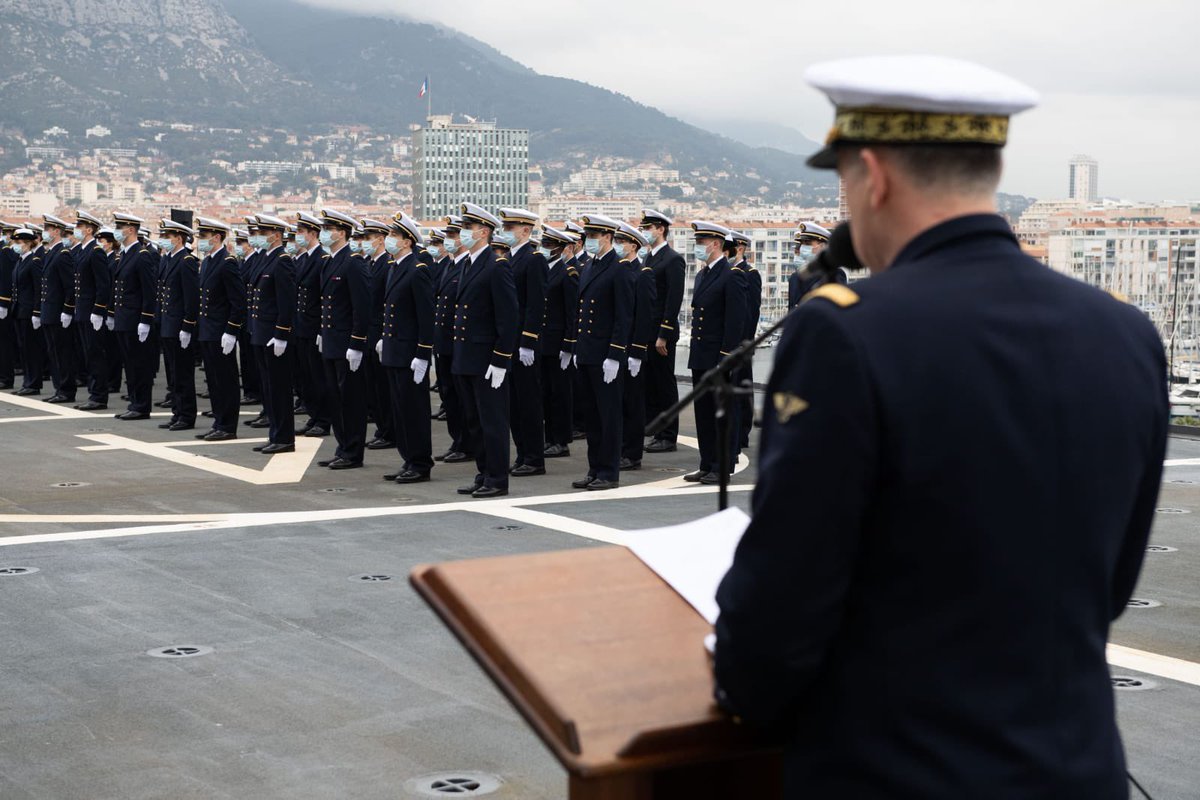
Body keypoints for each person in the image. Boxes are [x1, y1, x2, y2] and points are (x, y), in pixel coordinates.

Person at [713, 55, 1169, 799]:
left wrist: (745, 693)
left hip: (897, 772)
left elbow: (782, 609)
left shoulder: (846, 335)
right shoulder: (1121, 331)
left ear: (874, 174)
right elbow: (1108, 587)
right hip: (1077, 769)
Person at [451, 203, 518, 499]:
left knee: (492, 422)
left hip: (487, 359)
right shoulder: (468, 263)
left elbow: (508, 317)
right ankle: (483, 472)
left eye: (468, 228)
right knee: (474, 422)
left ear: (484, 232)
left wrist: (501, 359)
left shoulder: (497, 265)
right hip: (466, 356)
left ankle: (497, 478)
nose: (463, 233)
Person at [570, 214, 633, 491]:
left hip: (605, 353)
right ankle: (594, 468)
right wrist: (575, 347)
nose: (590, 241)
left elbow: (623, 316)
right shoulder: (588, 266)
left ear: (608, 237)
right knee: (592, 415)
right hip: (586, 351)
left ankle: (609, 471)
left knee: (608, 416)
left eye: (594, 236)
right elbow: (579, 311)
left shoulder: (618, 269)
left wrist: (615, 354)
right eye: (587, 237)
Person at [684, 221, 746, 485]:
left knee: (722, 414)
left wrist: (726, 357)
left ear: (716, 244)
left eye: (701, 243)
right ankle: (706, 463)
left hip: (718, 357)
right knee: (704, 413)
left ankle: (721, 466)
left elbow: (735, 322)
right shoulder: (702, 275)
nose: (698, 247)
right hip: (701, 355)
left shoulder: (731, 275)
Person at [378, 212, 435, 484]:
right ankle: (408, 459)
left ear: (407, 242)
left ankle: (421, 462)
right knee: (399, 410)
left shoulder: (417, 270)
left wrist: (423, 353)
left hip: (410, 354)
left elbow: (426, 317)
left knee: (414, 411)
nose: (389, 239)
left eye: (394, 236)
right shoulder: (395, 267)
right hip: (394, 351)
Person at [316, 208, 371, 470]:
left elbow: (362, 306)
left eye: (329, 229)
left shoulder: (353, 262)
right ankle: (342, 446)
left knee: (350, 399)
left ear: (342, 232)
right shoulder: (329, 261)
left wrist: (357, 342)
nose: (325, 233)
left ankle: (353, 451)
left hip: (347, 342)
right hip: (331, 341)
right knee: (334, 398)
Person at [497, 208, 548, 477]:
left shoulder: (534, 259)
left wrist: (528, 340)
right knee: (514, 403)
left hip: (524, 344)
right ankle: (521, 454)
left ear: (525, 231)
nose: (506, 232)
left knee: (528, 402)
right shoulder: (509, 258)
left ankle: (534, 458)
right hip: (510, 343)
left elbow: (537, 304)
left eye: (510, 227)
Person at [247, 214, 297, 454]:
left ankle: (284, 437)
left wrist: (282, 333)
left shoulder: (283, 260)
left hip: (273, 335)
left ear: (276, 236)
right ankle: (275, 434)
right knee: (268, 387)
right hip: (261, 332)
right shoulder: (266, 258)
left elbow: (286, 302)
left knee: (279, 388)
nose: (258, 237)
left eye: (263, 233)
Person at [639, 209, 685, 454]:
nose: (645, 232)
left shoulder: (672, 259)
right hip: (646, 331)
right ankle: (655, 429)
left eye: (648, 228)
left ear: (661, 229)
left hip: (660, 333)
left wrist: (664, 333)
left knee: (665, 385)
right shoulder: (648, 258)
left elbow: (673, 299)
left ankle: (668, 435)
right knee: (650, 384)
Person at [193, 217, 244, 441]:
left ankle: (228, 426)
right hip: (207, 330)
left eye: (203, 237)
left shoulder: (227, 262)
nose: (200, 242)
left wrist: (231, 331)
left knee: (226, 380)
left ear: (216, 237)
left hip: (221, 332)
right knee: (213, 380)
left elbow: (238, 302)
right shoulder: (208, 262)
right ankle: (218, 422)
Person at [109, 212, 157, 420]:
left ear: (130, 230)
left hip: (135, 319)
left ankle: (142, 405)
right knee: (129, 363)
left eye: (119, 228)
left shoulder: (142, 255)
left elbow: (149, 290)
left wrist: (145, 319)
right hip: (124, 318)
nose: (116, 232)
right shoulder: (126, 254)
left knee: (139, 364)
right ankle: (134, 402)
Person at [537, 225, 579, 459]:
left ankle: (560, 440)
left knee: (559, 394)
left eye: (549, 245)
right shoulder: (545, 270)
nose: (545, 249)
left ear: (561, 249)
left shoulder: (568, 273)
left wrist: (569, 345)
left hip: (558, 342)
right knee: (546, 393)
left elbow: (572, 313)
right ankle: (549, 437)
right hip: (544, 342)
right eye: (543, 244)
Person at [154, 219, 199, 431]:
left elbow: (191, 298)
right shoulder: (168, 260)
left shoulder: (186, 261)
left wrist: (187, 326)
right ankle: (177, 412)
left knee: (183, 373)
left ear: (178, 238)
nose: (163, 240)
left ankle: (186, 415)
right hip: (167, 324)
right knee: (173, 373)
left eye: (166, 237)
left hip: (179, 325)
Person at [616, 223, 655, 471]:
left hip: (632, 347)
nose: (618, 244)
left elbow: (644, 316)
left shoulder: (643, 273)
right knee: (618, 403)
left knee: (632, 403)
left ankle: (632, 453)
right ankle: (620, 448)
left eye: (622, 241)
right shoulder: (618, 271)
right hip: (616, 346)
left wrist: (638, 350)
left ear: (633, 245)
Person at [432, 217, 470, 463]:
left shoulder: (468, 265)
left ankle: (467, 444)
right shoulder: (449, 265)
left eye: (454, 235)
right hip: (444, 342)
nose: (449, 240)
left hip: (459, 343)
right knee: (449, 395)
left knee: (462, 397)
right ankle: (457, 441)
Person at [292, 212, 331, 438]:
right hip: (301, 327)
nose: (298, 236)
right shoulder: (304, 258)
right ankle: (314, 416)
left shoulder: (321, 259)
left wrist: (320, 330)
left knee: (317, 377)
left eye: (301, 232)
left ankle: (323, 420)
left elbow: (323, 296)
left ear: (312, 234)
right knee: (306, 377)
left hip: (314, 327)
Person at [360, 218, 395, 453]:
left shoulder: (386, 264)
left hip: (381, 332)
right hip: (369, 333)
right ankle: (382, 429)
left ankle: (388, 431)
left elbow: (386, 303)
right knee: (372, 385)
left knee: (383, 387)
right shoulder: (370, 264)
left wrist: (384, 333)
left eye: (368, 238)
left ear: (380, 240)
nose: (363, 243)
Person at [71, 211, 111, 411]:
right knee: (87, 353)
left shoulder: (96, 251)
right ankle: (93, 393)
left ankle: (99, 396)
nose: (76, 230)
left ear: (89, 229)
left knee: (95, 353)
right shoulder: (82, 251)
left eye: (79, 227)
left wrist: (98, 309)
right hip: (82, 309)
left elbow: (103, 285)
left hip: (91, 311)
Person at [38, 214, 78, 405]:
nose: (45, 232)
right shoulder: (50, 253)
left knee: (62, 353)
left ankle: (66, 390)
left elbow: (70, 287)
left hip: (58, 313)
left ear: (55, 231)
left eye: (47, 229)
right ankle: (59, 388)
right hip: (48, 312)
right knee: (53, 352)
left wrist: (67, 310)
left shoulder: (63, 254)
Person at [729, 230, 759, 452]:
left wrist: (744, 343)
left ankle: (742, 433)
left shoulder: (750, 273)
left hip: (741, 343)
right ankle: (732, 432)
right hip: (727, 343)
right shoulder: (726, 272)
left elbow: (751, 312)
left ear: (739, 248)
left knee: (742, 387)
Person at [7, 227, 45, 396]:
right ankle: (27, 382)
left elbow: (38, 289)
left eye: (18, 242)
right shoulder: (20, 260)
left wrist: (37, 312)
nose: (15, 245)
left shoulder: (34, 261)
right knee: (23, 348)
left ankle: (34, 383)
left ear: (28, 243)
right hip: (19, 311)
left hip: (29, 311)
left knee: (31, 349)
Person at [786, 222, 835, 310]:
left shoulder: (833, 274)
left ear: (822, 246)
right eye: (802, 243)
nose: (803, 248)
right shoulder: (796, 277)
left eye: (808, 244)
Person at [0, 221, 18, 390]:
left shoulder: (4, 251)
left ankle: (6, 377)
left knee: (3, 342)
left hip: (1, 304)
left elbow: (6, 279)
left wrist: (4, 303)